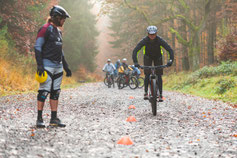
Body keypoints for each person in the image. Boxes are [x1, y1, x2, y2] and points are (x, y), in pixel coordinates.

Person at [34, 5, 72, 128]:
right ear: (56, 17)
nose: (64, 21)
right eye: (63, 19)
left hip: (58, 67)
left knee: (55, 93)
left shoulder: (59, 32)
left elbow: (60, 51)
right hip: (47, 66)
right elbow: (38, 47)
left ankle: (54, 118)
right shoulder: (45, 29)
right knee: (44, 91)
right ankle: (39, 119)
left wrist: (66, 66)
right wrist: (40, 65)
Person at [132, 26, 174, 102]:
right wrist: (135, 62)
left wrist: (170, 60)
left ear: (156, 33)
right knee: (147, 75)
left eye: (154, 34)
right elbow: (135, 50)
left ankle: (160, 94)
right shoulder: (144, 40)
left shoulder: (160, 40)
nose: (152, 36)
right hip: (147, 57)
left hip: (158, 57)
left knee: (159, 75)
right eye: (150, 34)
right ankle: (145, 93)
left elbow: (169, 50)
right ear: (148, 34)